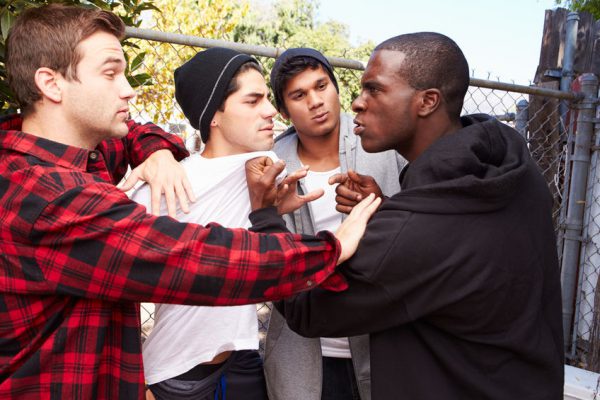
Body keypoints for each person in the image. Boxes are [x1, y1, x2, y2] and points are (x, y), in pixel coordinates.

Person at [0, 5, 380, 398]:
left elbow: (135, 130)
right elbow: (189, 257)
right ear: (51, 83)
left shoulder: (88, 158)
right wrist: (330, 248)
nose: (128, 89)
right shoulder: (41, 195)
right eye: (110, 72)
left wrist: (156, 151)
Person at [277, 32, 564, 399]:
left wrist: (267, 218)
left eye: (374, 90)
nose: (357, 103)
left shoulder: (424, 225)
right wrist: (386, 211)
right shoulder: (514, 174)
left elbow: (307, 309)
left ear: (427, 101)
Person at [133, 48, 320, 400]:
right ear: (214, 115)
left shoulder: (265, 167)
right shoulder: (165, 183)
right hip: (176, 374)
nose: (269, 111)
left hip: (242, 358)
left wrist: (272, 212)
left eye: (267, 98)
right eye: (252, 101)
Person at [264, 48, 405, 400]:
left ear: (336, 88)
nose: (315, 101)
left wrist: (380, 210)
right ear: (283, 111)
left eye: (321, 86)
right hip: (302, 353)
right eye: (299, 95)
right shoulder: (272, 167)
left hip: (383, 345)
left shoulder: (386, 147)